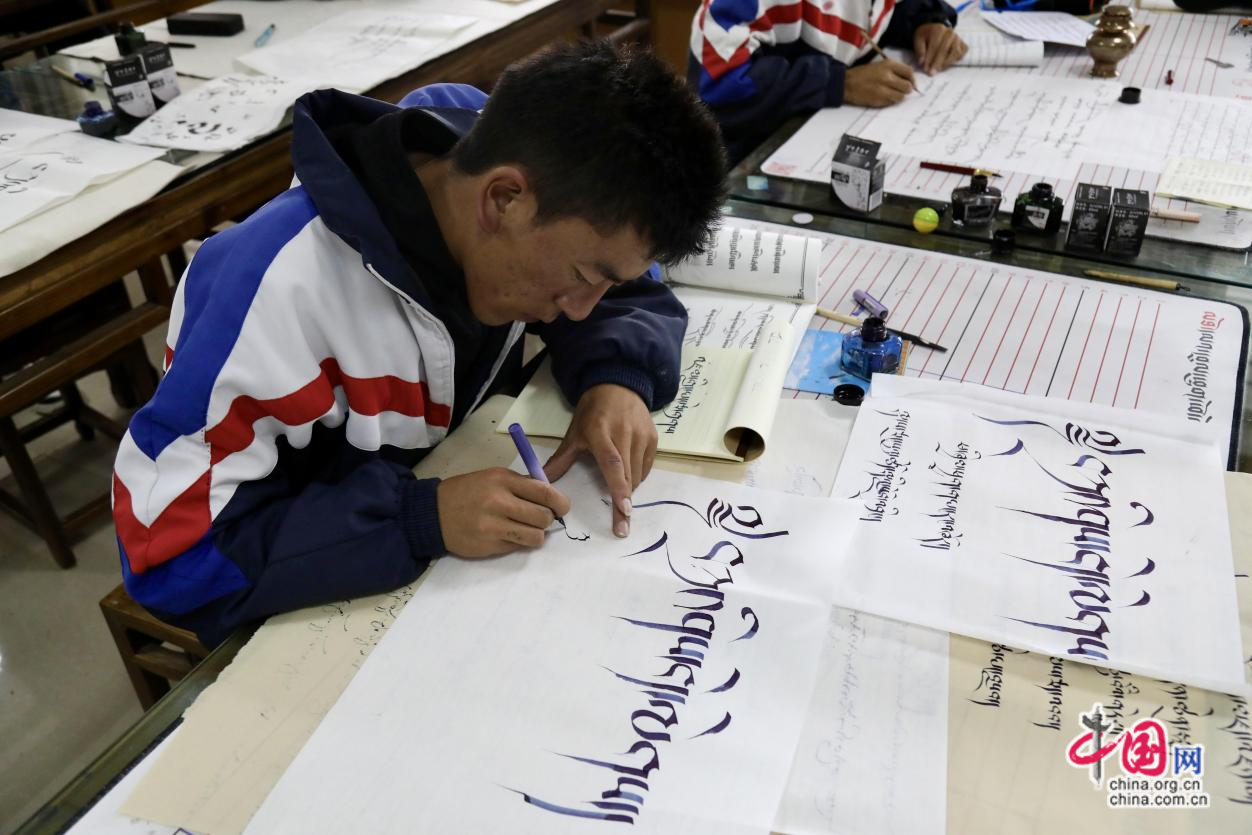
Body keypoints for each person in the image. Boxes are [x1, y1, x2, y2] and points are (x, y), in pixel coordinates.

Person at [111, 41, 727, 646]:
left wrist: (617, 376)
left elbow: (625, 285)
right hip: (316, 606)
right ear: (503, 200)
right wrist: (415, 519)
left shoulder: (503, 158)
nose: (583, 307)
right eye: (583, 277)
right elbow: (169, 555)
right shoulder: (271, 290)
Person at [690, 0, 967, 161]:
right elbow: (718, 87)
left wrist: (926, 21)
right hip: (743, 169)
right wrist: (839, 83)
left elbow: (883, 13)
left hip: (821, 144)